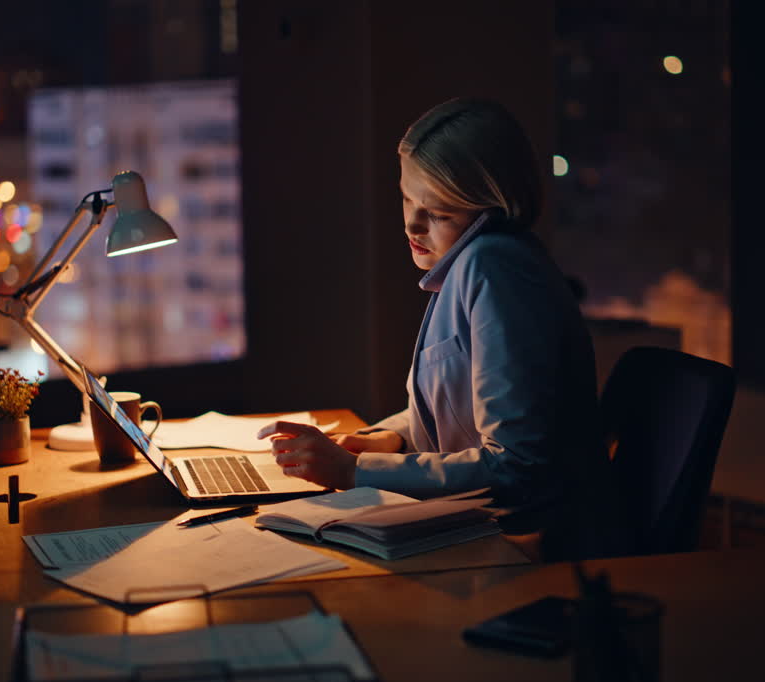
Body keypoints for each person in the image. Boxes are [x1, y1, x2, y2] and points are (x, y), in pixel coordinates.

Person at [258, 98, 607, 520]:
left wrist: (354, 471)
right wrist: (390, 439)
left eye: (438, 214)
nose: (412, 224)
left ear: (494, 209)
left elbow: (517, 466)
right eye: (407, 199)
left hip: (525, 539)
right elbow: (460, 414)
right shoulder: (468, 264)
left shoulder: (494, 269)